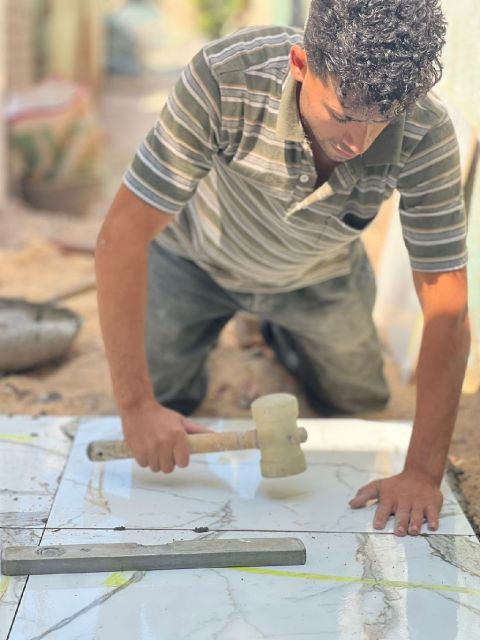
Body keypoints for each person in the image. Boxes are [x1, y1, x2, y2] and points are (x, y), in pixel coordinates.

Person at [95, 0, 470, 538]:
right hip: (196, 263)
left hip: (318, 274)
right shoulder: (225, 77)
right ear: (300, 63)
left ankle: (277, 332)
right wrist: (135, 406)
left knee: (357, 401)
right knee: (169, 401)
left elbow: (448, 305)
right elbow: (121, 238)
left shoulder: (424, 127)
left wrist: (421, 472)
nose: (357, 142)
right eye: (343, 114)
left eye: (380, 121)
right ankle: (224, 331)